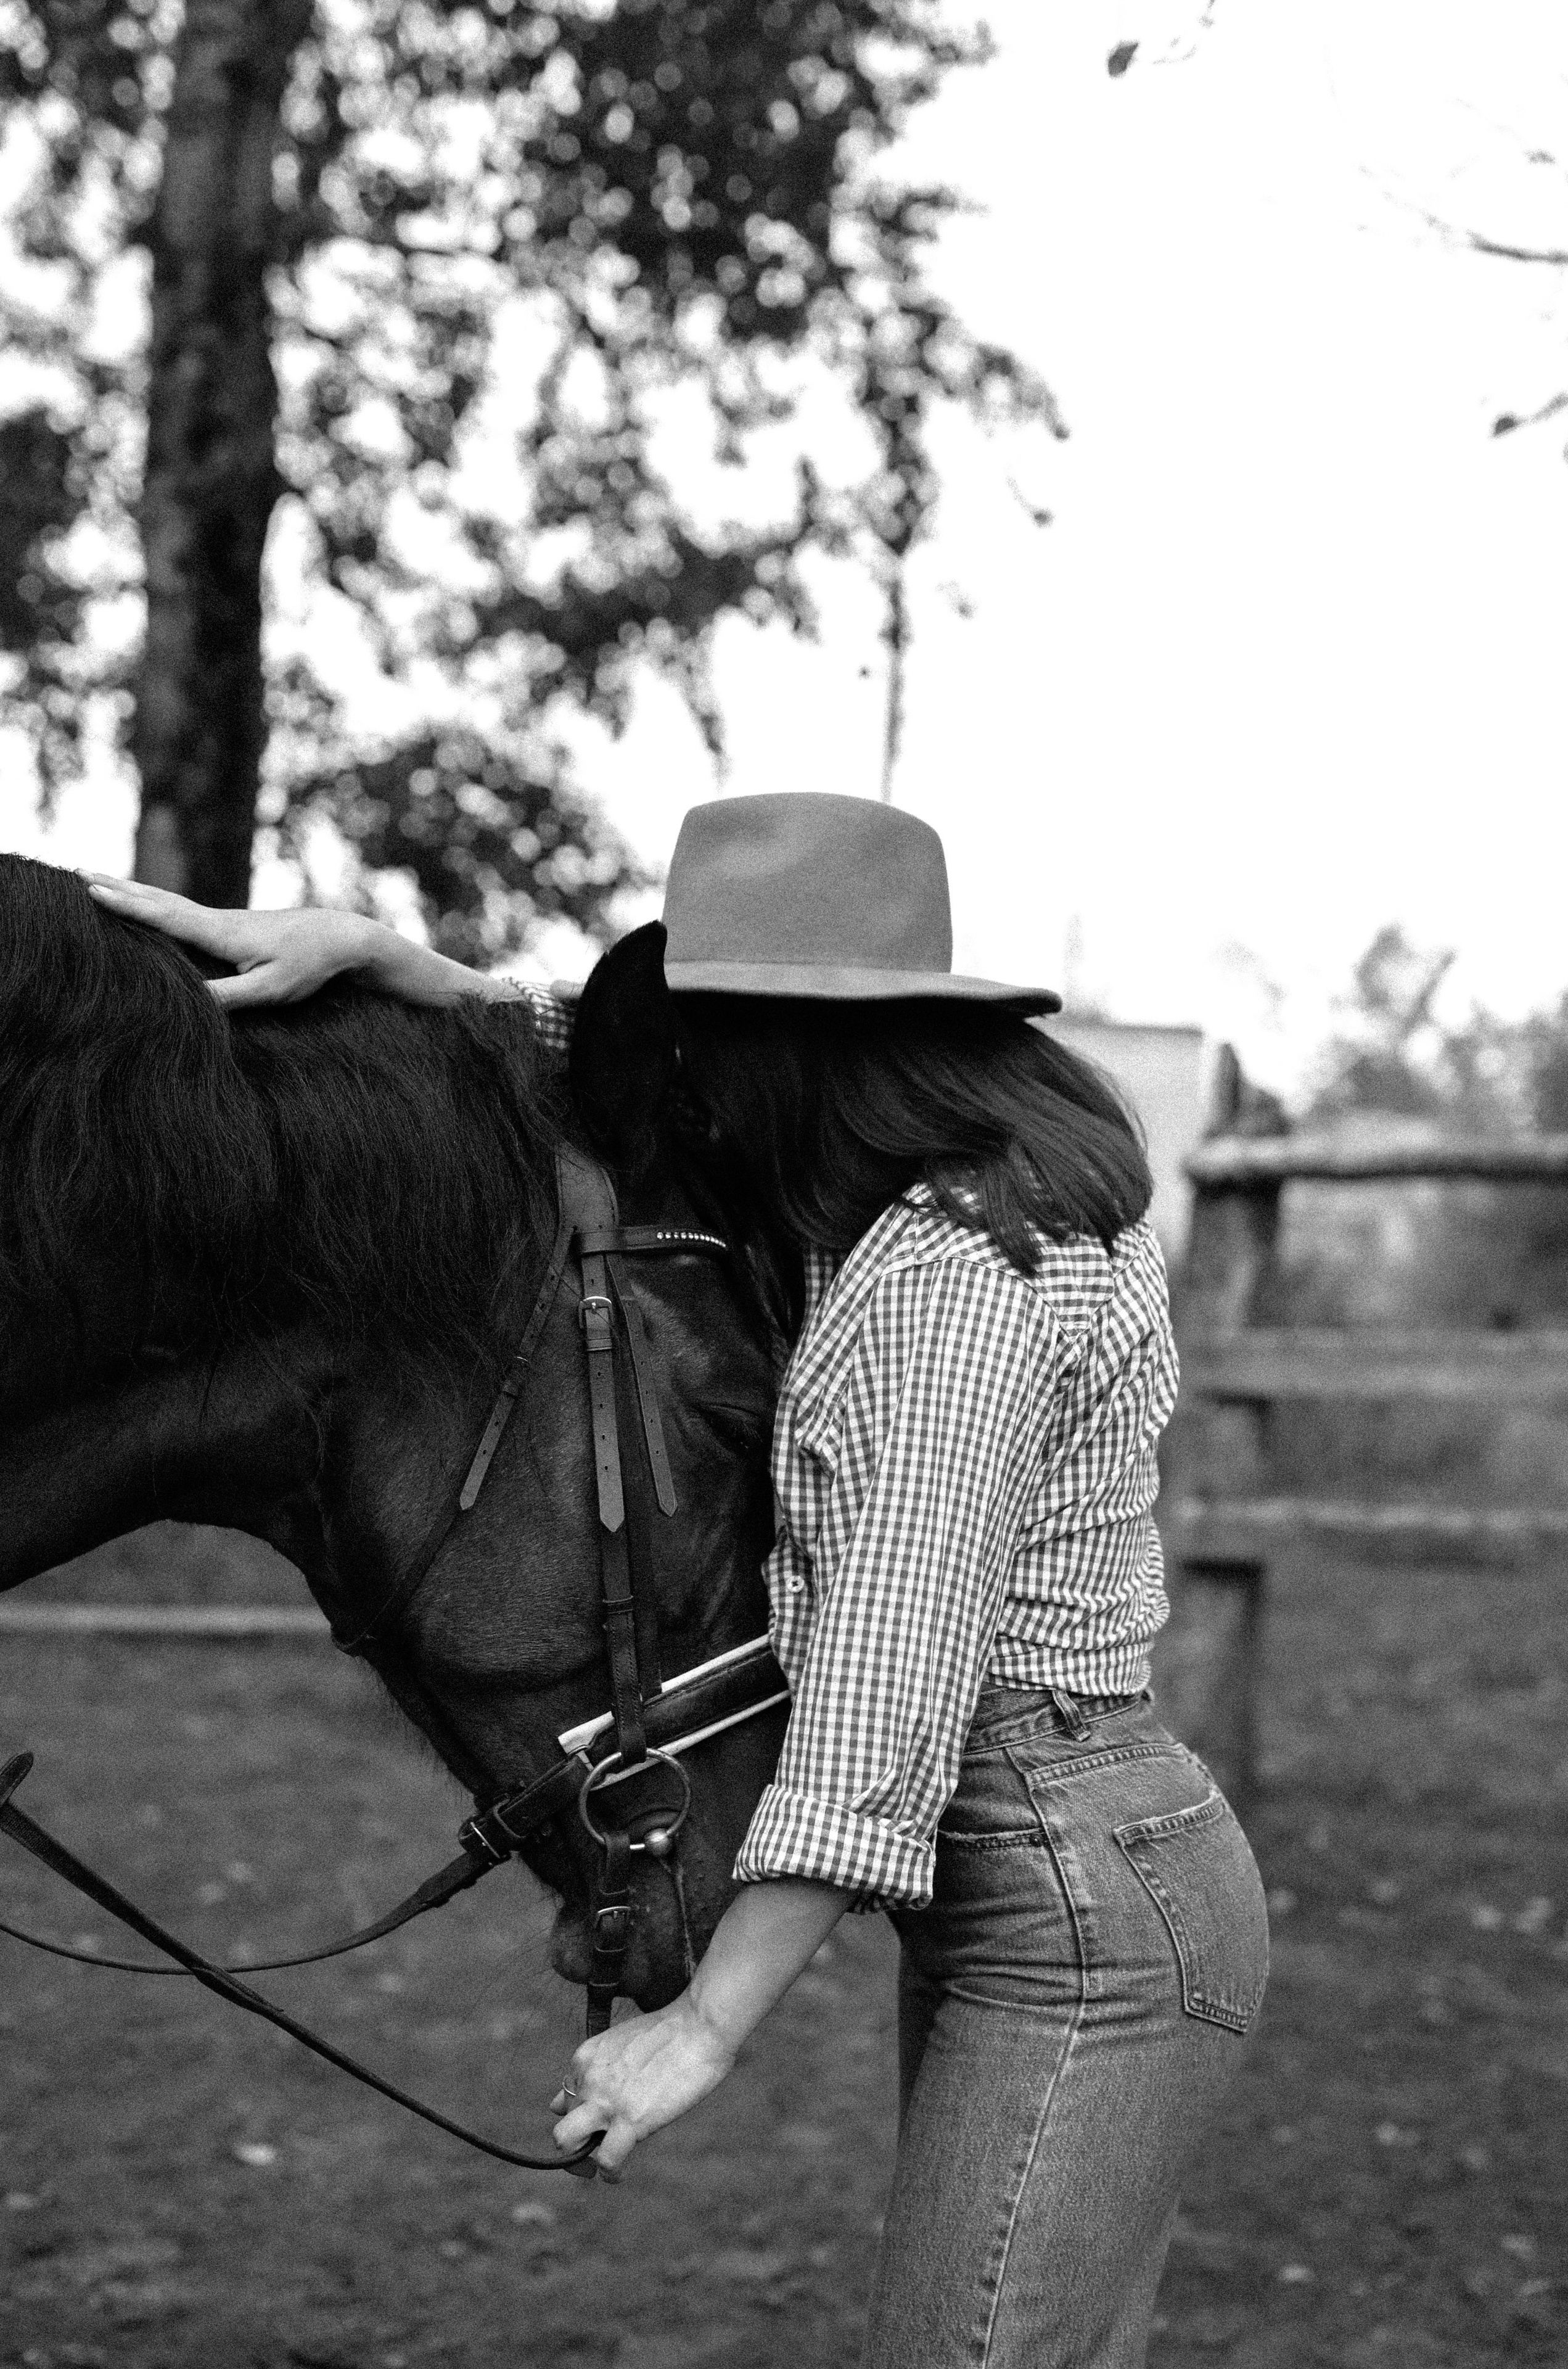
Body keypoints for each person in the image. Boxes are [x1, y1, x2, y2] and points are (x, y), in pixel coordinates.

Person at [88, 793, 1268, 2368]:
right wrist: (393, 964)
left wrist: (702, 2025)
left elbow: (882, 1688)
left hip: (1075, 1897)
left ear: (795, 1052)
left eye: (707, 1041)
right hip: (1053, 1879)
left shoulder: (957, 1280)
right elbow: (616, 1061)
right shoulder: (967, 1167)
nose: (683, 1086)